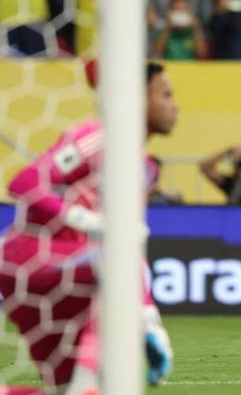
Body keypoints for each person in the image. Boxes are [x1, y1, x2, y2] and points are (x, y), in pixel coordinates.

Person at [0, 63, 177, 393]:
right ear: (136, 97)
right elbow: (24, 183)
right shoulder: (100, 138)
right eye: (165, 94)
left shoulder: (143, 166)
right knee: (115, 261)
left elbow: (129, 255)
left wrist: (153, 323)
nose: (175, 105)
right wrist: (89, 222)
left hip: (72, 270)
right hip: (33, 256)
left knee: (72, 390)